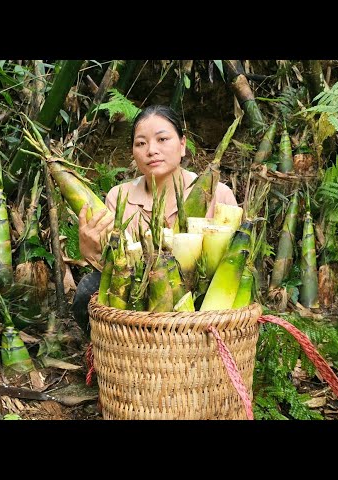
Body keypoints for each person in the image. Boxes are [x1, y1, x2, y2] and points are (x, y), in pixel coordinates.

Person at [71, 104, 239, 332]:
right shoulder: (118, 197)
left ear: (182, 145)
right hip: (136, 307)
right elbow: (112, 269)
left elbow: (235, 262)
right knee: (88, 289)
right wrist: (90, 249)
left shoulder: (217, 193)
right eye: (141, 143)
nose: (151, 150)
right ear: (133, 152)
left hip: (200, 308)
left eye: (162, 139)